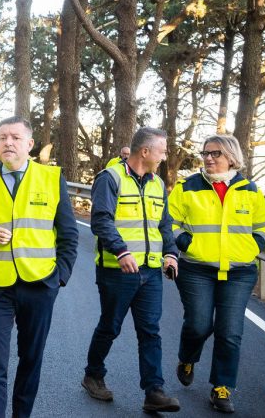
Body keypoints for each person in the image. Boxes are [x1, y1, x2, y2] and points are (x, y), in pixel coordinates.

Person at [0, 116, 78, 418]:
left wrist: (60, 277)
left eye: (15, 137)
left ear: (29, 144)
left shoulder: (52, 179)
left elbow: (68, 233)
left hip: (40, 285)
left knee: (31, 359)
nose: (8, 143)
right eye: (2, 137)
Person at [169, 134, 265, 413]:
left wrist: (253, 246)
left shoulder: (250, 190)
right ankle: (187, 358)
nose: (209, 158)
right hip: (195, 269)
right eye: (205, 153)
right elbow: (169, 222)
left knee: (230, 332)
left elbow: (263, 226)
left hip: (239, 272)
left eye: (215, 153)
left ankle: (221, 387)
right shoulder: (187, 187)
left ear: (231, 156)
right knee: (199, 324)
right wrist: (185, 243)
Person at [81, 127, 181, 412]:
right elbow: (101, 220)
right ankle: (93, 375)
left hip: (150, 271)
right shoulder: (109, 179)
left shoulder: (158, 184)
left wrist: (171, 254)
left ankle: (154, 391)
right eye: (161, 150)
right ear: (145, 151)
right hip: (117, 270)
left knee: (150, 331)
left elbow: (164, 225)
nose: (164, 156)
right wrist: (121, 250)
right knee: (110, 326)